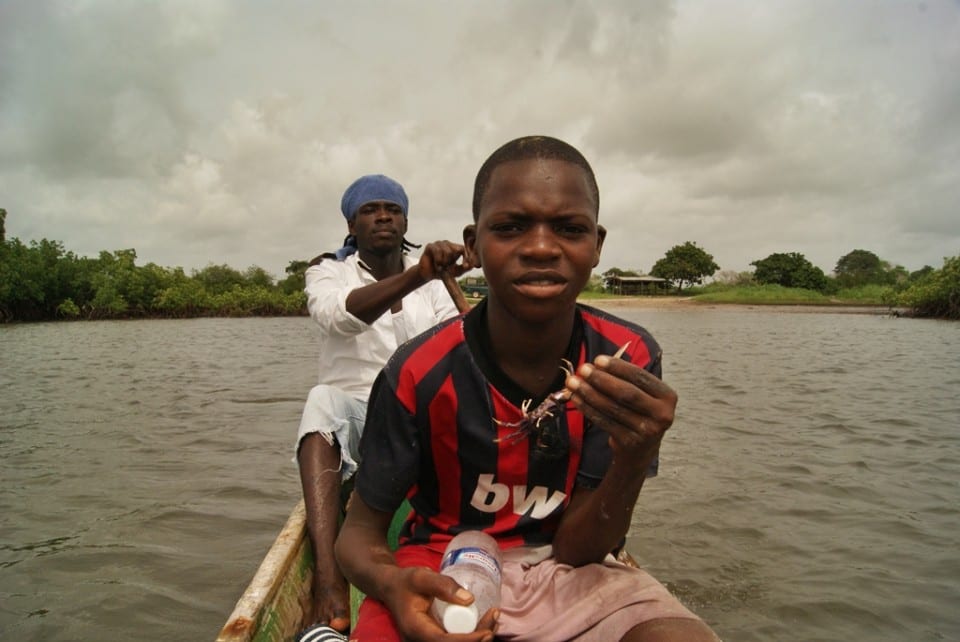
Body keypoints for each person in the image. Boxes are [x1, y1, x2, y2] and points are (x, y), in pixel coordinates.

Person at [335, 137, 721, 642]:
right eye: (511, 227)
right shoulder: (418, 370)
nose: (541, 247)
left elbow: (578, 550)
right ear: (473, 245)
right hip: (440, 567)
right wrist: (392, 583)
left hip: (567, 569)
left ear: (597, 245)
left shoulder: (627, 358)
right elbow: (360, 532)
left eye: (569, 228)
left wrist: (635, 455)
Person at [295, 174, 471, 638]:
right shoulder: (328, 271)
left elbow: (455, 341)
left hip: (418, 414)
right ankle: (330, 578)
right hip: (356, 414)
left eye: (392, 209)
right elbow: (340, 318)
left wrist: (440, 276)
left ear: (406, 220)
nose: (383, 217)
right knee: (320, 402)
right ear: (352, 224)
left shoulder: (435, 280)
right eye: (370, 210)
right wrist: (416, 276)